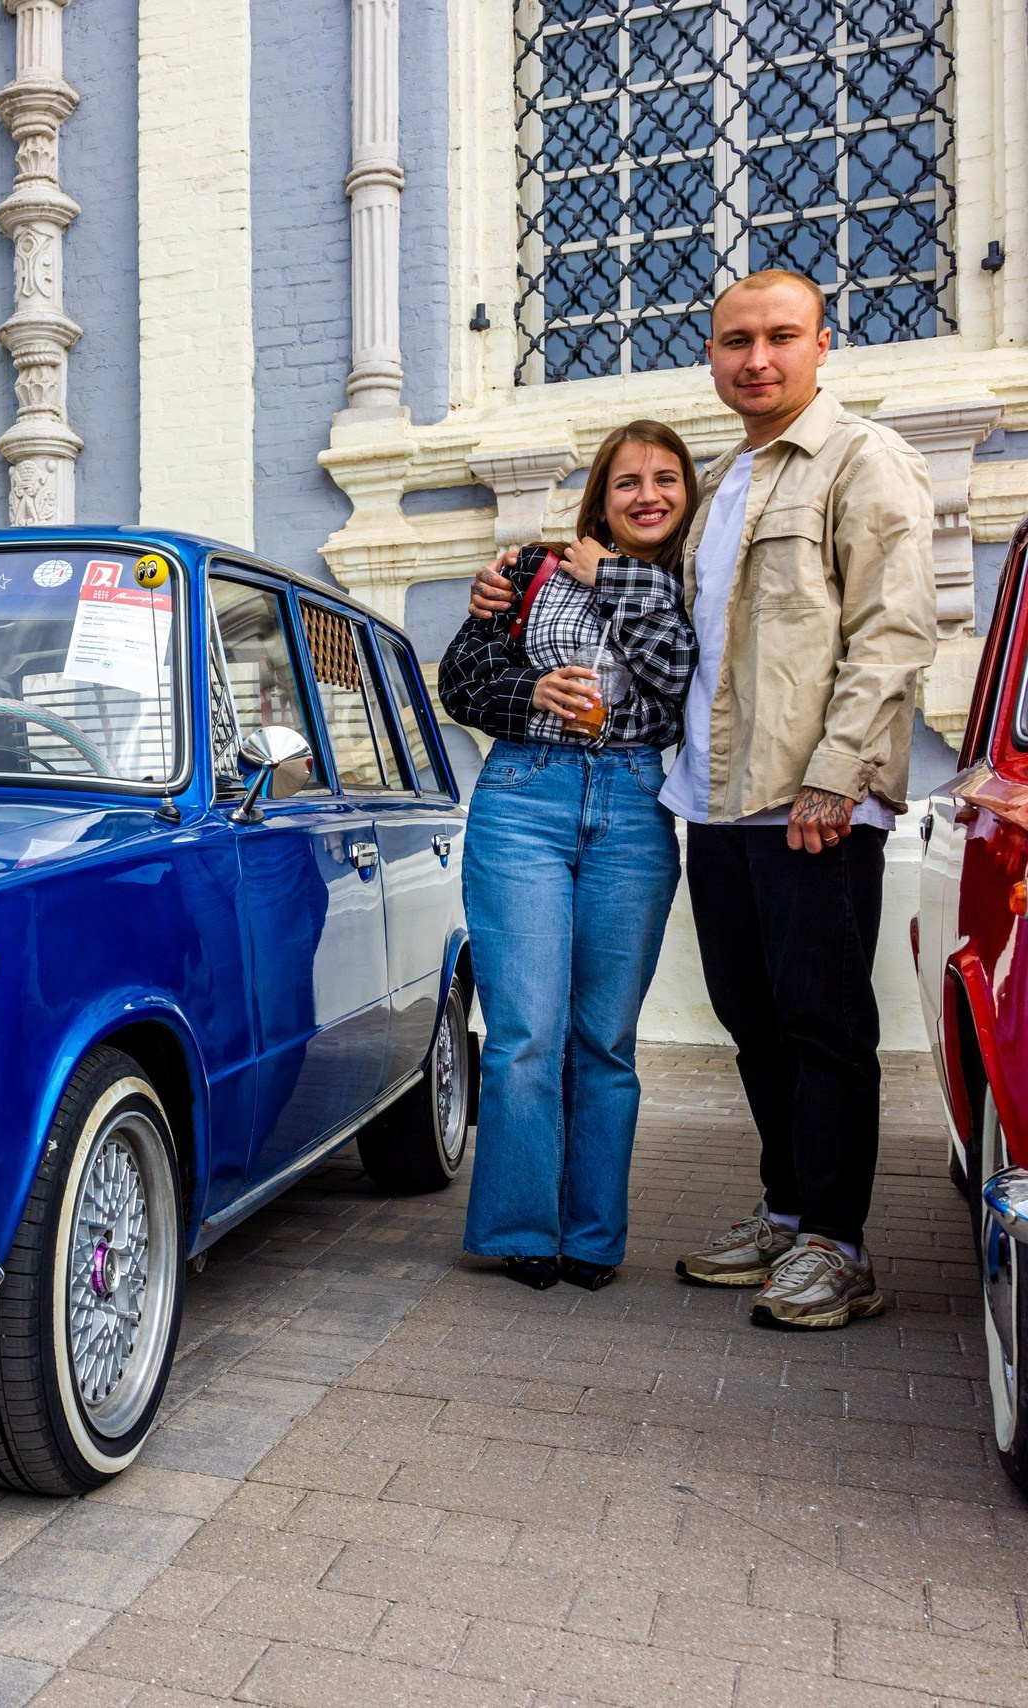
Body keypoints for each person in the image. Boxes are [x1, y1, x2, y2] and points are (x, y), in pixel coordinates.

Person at [469, 268, 936, 1330]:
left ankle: (836, 1244)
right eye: (735, 341)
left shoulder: (861, 462)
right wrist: (509, 579)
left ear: (824, 344)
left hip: (811, 802)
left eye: (779, 337)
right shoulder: (727, 479)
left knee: (822, 1026)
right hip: (717, 806)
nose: (756, 358)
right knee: (754, 1025)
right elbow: (647, 607)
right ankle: (786, 1208)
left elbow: (896, 631)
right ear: (712, 355)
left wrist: (836, 771)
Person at [439, 422, 699, 1292]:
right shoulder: (530, 570)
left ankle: (592, 1238)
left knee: (605, 1039)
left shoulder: (695, 580)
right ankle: (520, 1228)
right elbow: (462, 680)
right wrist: (532, 688)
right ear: (602, 494)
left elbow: (680, 676)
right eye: (627, 482)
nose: (647, 495)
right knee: (524, 1035)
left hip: (632, 804)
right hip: (524, 799)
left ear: (688, 496)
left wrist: (613, 576)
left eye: (666, 479)